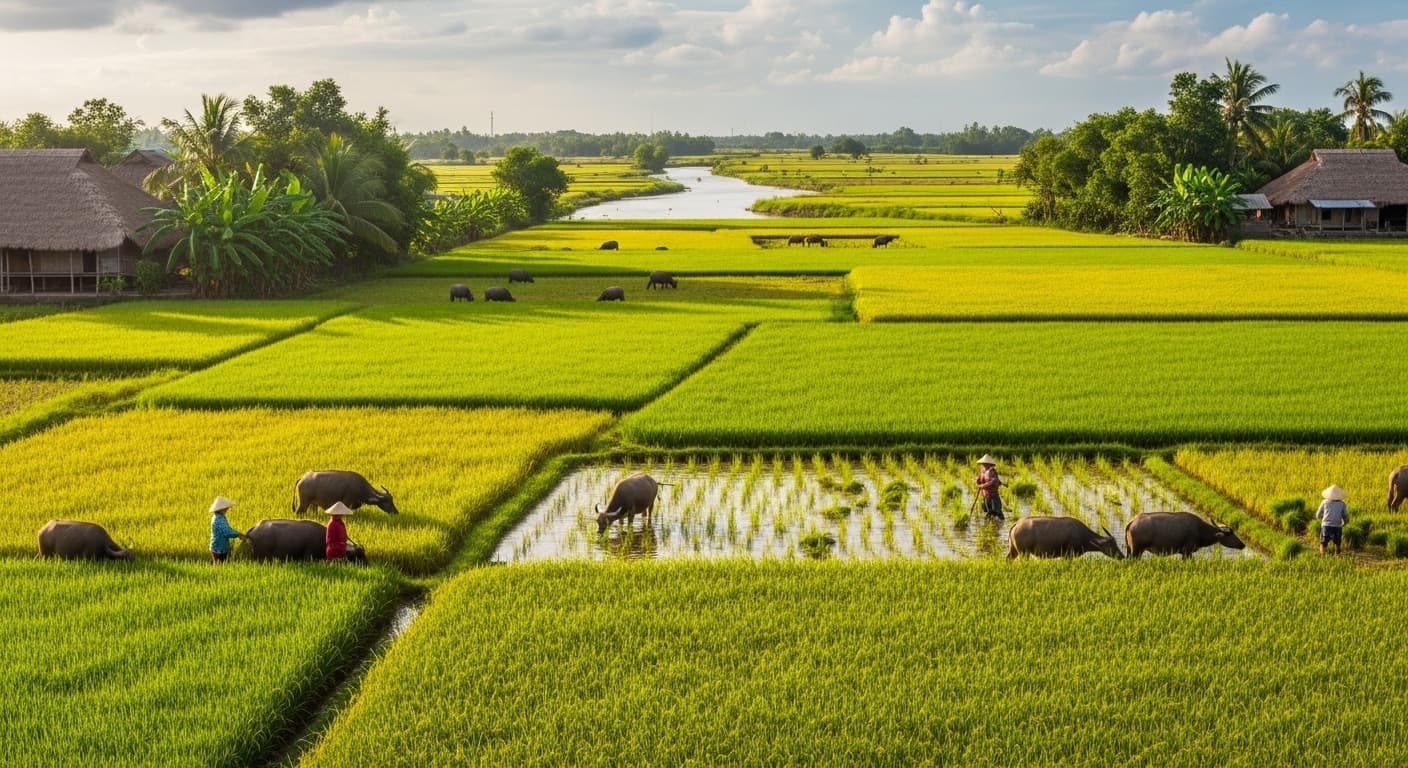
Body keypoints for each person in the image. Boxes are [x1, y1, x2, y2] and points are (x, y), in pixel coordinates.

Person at [208, 496, 246, 564]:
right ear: (221, 509)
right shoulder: (219, 519)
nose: (227, 509)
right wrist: (238, 534)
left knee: (218, 564)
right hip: (219, 549)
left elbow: (227, 528)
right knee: (220, 566)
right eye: (226, 508)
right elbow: (227, 532)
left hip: (218, 546)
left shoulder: (219, 517)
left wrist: (237, 533)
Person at [1316, 485, 1349, 555]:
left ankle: (1323, 557)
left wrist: (1323, 518)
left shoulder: (1324, 502)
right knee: (1337, 543)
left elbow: (1318, 515)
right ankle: (1337, 557)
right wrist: (1345, 522)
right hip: (1337, 527)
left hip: (1326, 526)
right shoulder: (1342, 504)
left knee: (1323, 543)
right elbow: (1346, 516)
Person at [976, 454, 1006, 521]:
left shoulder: (992, 471)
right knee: (989, 512)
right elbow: (978, 480)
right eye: (983, 464)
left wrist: (982, 486)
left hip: (993, 496)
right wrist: (977, 482)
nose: (984, 465)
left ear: (990, 464)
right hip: (986, 496)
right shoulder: (982, 471)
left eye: (986, 464)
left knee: (998, 513)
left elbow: (993, 481)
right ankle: (991, 526)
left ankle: (998, 527)